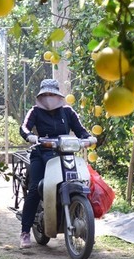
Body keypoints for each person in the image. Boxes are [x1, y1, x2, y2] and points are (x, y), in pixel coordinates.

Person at [18, 78, 95, 249]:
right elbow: (24, 128)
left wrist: (88, 139)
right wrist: (30, 137)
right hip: (41, 154)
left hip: (64, 154)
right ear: (41, 95)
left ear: (58, 95)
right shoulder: (35, 111)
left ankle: (86, 227)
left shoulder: (68, 112)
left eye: (52, 93)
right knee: (35, 189)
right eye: (45, 94)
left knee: (80, 182)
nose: (48, 97)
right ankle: (25, 232)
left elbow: (81, 131)